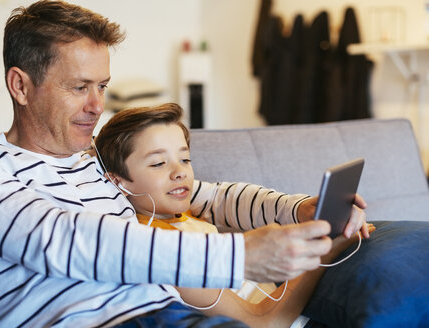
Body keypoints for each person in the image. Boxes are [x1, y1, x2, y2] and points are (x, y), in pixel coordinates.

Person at [0, 1, 369, 327]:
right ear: (20, 86)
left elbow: (213, 197)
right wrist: (240, 255)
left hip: (174, 316)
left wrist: (299, 211)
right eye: (79, 87)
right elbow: (59, 240)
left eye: (102, 86)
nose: (96, 106)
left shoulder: (100, 165)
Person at [93, 103, 375, 327]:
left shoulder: (182, 213)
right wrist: (326, 251)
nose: (180, 171)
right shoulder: (160, 250)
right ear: (119, 181)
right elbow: (263, 323)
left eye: (185, 158)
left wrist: (304, 211)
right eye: (157, 163)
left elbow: (222, 197)